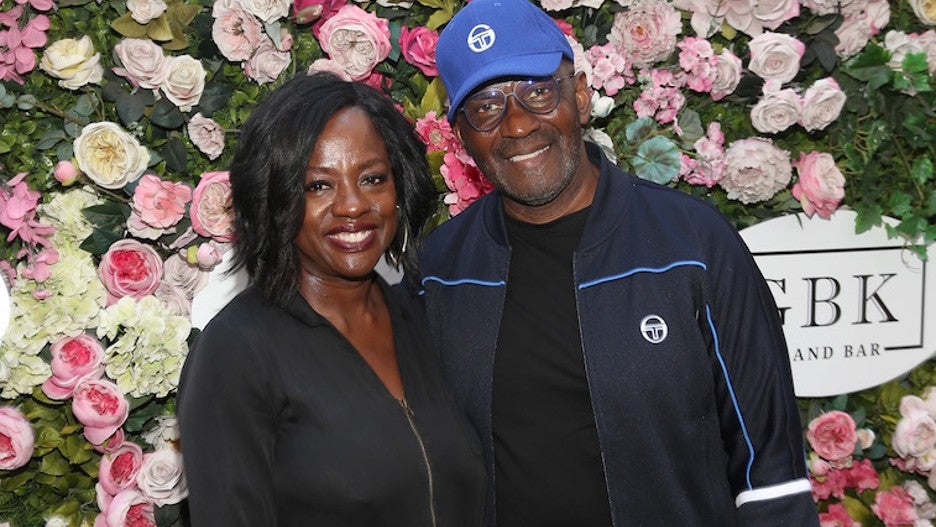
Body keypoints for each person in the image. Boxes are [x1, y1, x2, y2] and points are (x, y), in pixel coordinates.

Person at [415, 0, 822, 525]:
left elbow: (772, 476)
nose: (516, 125)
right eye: (486, 106)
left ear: (580, 96)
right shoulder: (440, 267)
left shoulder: (692, 246)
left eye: (537, 92)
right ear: (462, 136)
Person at [177, 72, 485, 526]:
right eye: (319, 185)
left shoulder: (423, 316)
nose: (353, 206)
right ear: (277, 200)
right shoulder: (236, 352)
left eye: (373, 178)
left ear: (400, 190)